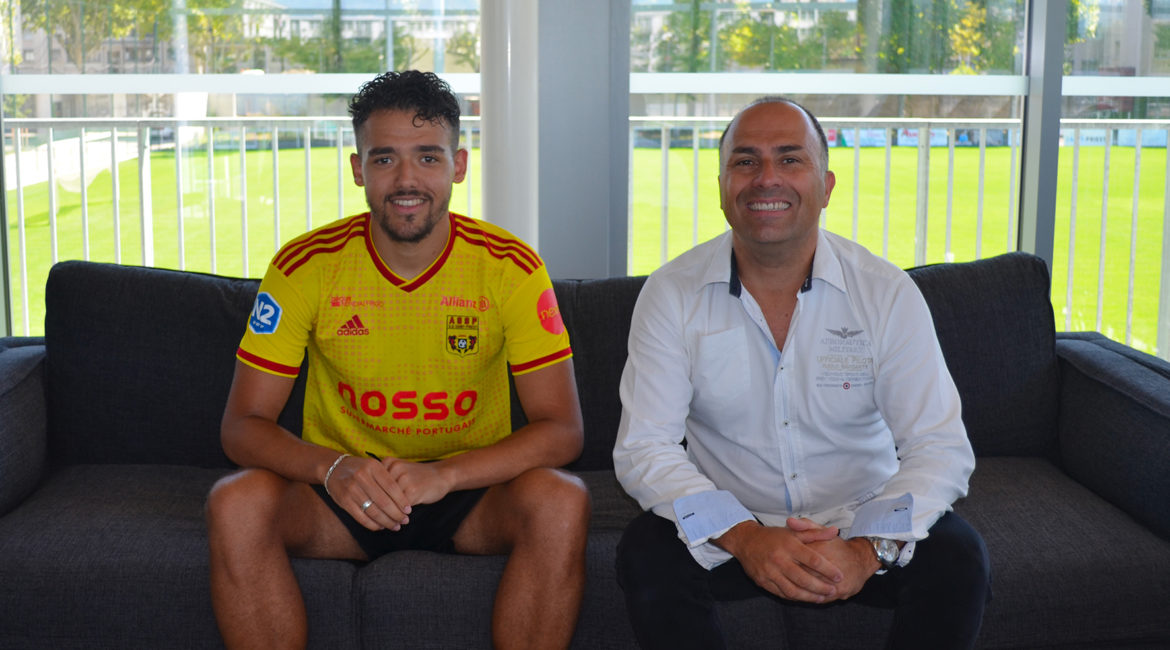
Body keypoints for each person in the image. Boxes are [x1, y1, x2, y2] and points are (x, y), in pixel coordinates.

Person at [205, 70, 589, 650]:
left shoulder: (510, 266)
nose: (407, 180)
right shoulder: (304, 265)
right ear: (358, 169)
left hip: (468, 493)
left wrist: (444, 475)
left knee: (564, 500)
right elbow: (242, 427)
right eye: (384, 159)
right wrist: (332, 469)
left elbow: (562, 431)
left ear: (458, 165)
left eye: (428, 158)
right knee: (232, 502)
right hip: (342, 494)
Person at [612, 97, 990, 650]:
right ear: (722, 185)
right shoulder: (672, 294)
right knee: (646, 553)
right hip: (731, 524)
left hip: (863, 518)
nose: (766, 179)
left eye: (790, 160)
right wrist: (745, 537)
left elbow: (939, 446)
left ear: (827, 184)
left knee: (959, 557)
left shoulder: (884, 292)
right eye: (745, 162)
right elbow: (645, 447)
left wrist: (868, 549)